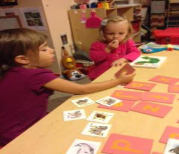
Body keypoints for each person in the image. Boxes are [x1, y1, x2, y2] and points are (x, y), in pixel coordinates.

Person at [0, 28, 135, 146]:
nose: (52, 50)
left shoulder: (13, 72)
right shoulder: (36, 76)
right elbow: (82, 89)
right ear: (23, 59)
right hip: (17, 135)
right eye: (44, 49)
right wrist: (119, 80)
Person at [88, 15, 141, 80]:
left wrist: (123, 59)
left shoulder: (127, 42)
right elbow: (95, 58)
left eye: (121, 33)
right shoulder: (97, 44)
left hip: (120, 73)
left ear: (127, 33)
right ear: (103, 33)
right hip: (101, 75)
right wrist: (108, 49)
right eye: (111, 33)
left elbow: (135, 52)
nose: (116, 36)